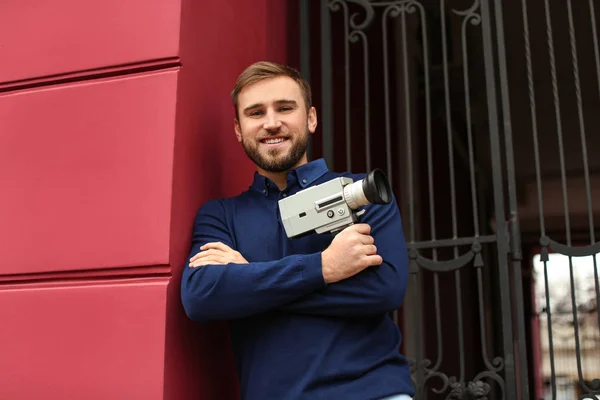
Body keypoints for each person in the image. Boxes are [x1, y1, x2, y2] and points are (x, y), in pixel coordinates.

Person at [180, 61, 414, 400]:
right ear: (238, 128)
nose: (271, 123)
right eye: (255, 112)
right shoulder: (220, 216)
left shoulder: (362, 193)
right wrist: (325, 267)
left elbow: (383, 290)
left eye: (285, 108)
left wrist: (249, 279)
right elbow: (201, 297)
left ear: (311, 118)